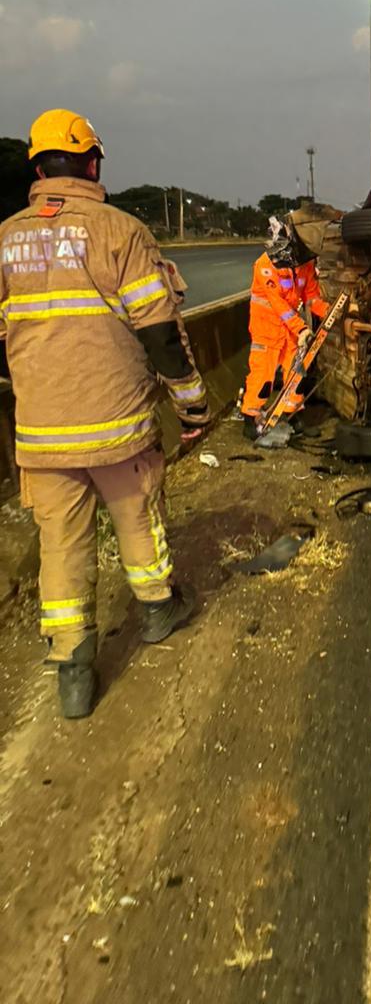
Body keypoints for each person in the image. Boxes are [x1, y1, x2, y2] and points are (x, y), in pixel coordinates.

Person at [0, 109, 210, 719]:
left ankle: (73, 672)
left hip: (41, 433)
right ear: (92, 163)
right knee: (138, 522)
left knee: (61, 545)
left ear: (38, 166)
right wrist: (191, 404)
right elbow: (160, 334)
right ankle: (157, 611)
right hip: (115, 424)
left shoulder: (6, 236)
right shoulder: (120, 231)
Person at [240, 215, 329, 436]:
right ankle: (250, 419)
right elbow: (278, 304)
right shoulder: (264, 265)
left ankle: (293, 414)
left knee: (296, 373)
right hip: (266, 329)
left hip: (290, 329)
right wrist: (301, 329)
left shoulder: (305, 264)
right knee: (263, 377)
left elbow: (311, 298)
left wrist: (330, 313)